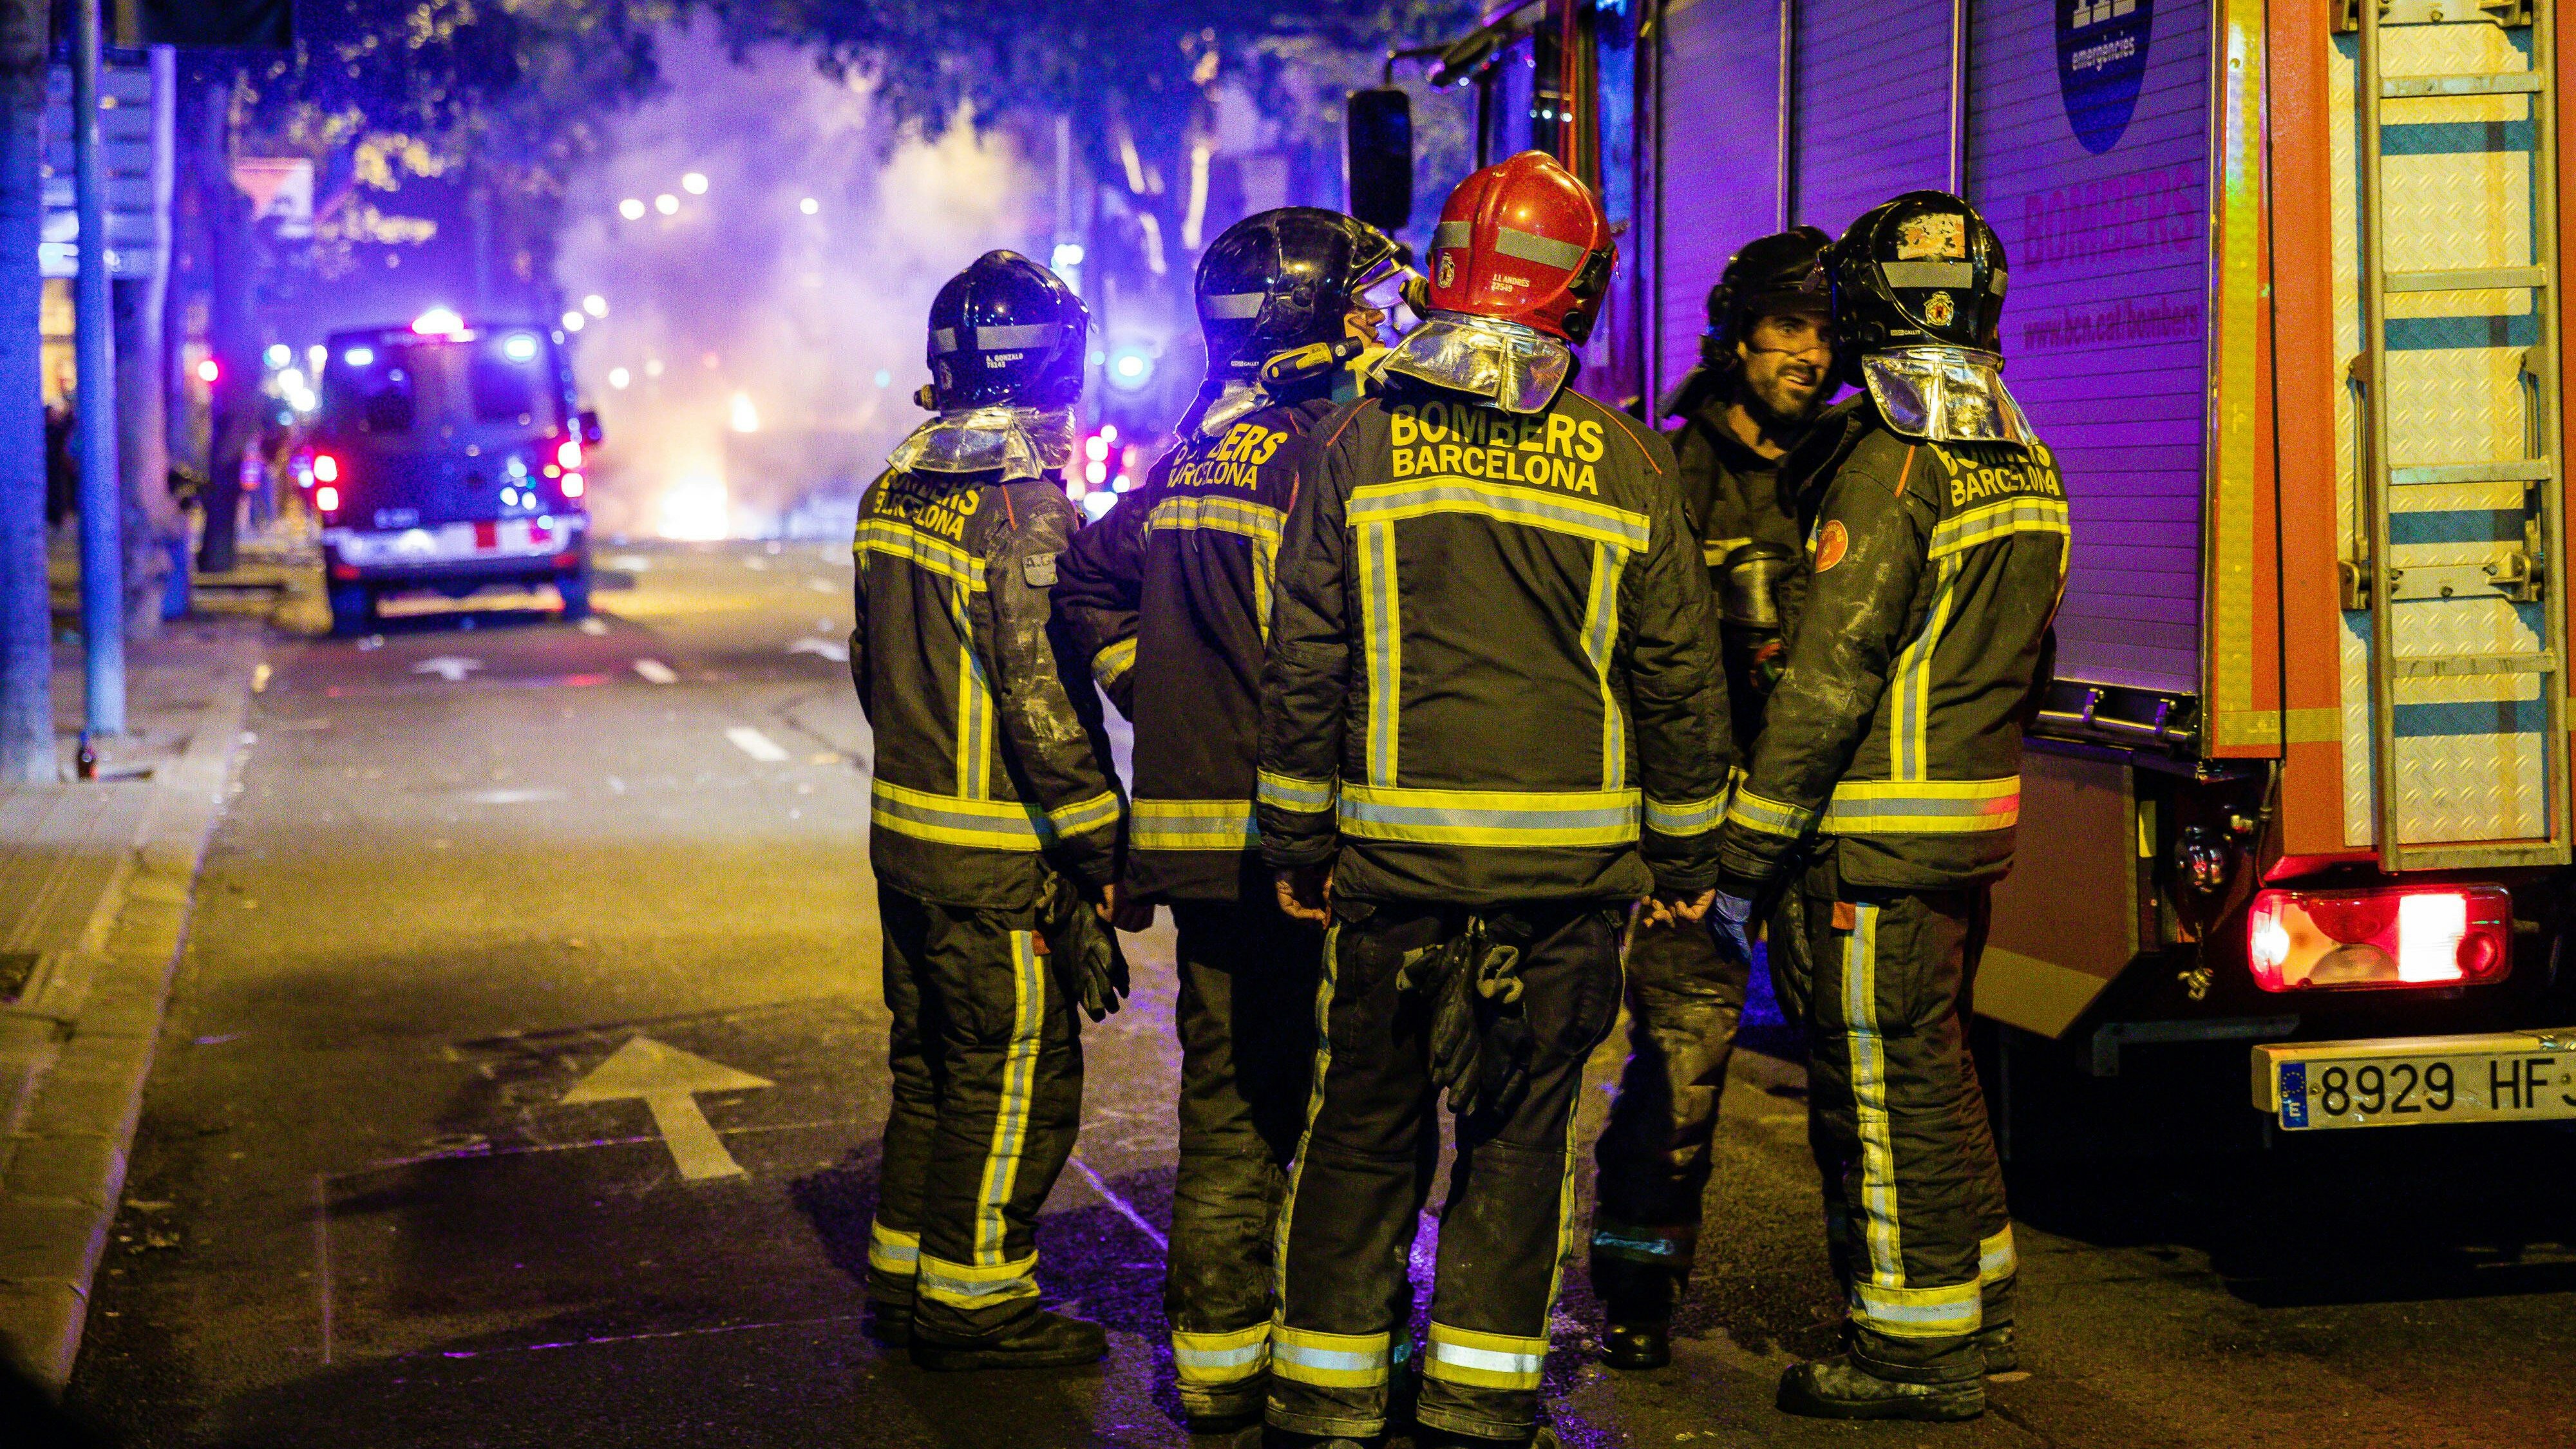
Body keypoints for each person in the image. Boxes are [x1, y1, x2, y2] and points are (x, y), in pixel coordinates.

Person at [1256, 151, 1735, 1449]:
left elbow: (1307, 659)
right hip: (1568, 883)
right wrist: (1688, 847)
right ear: (1573, 297)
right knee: (1521, 1133)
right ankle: (1475, 1392)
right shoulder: (1630, 464)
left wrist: (1296, 838)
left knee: (1364, 1121)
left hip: (1395, 874)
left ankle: (1326, 1390)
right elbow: (1678, 674)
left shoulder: (1353, 442)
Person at [1053, 207, 1408, 1441]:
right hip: (1314, 849)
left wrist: (1154, 683)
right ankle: (1328, 1355)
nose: (1390, 326)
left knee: (1230, 1102)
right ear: (1321, 322)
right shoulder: (1340, 454)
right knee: (1349, 1105)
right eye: (1372, 306)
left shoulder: (1204, 456)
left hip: (1204, 852)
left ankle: (1213, 1365)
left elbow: (1088, 578)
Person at [1711, 191, 2063, 1422]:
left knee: (1876, 1085)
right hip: (1965, 824)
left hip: (1870, 841)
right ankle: (1982, 1305)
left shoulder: (1893, 459)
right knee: (1935, 1064)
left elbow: (1833, 672)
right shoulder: (2020, 447)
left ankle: (1914, 1348)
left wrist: (1749, 845)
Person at [849, 250, 1132, 1371]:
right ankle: (978, 1301)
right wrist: (1103, 846)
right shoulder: (1020, 510)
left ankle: (904, 1275)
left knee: (929, 1067)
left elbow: (873, 669)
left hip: (906, 841)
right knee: (1017, 1071)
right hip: (997, 861)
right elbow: (1042, 702)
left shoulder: (890, 489)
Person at [1589, 225, 1837, 1370]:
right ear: (1739, 336)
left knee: (1852, 1072)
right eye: (1790, 330)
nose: (1812, 356)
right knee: (1680, 1070)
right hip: (1700, 830)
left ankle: (1878, 1308)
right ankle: (1638, 1287)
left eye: (1828, 334)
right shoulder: (1667, 470)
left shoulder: (1853, 462)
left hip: (1825, 826)